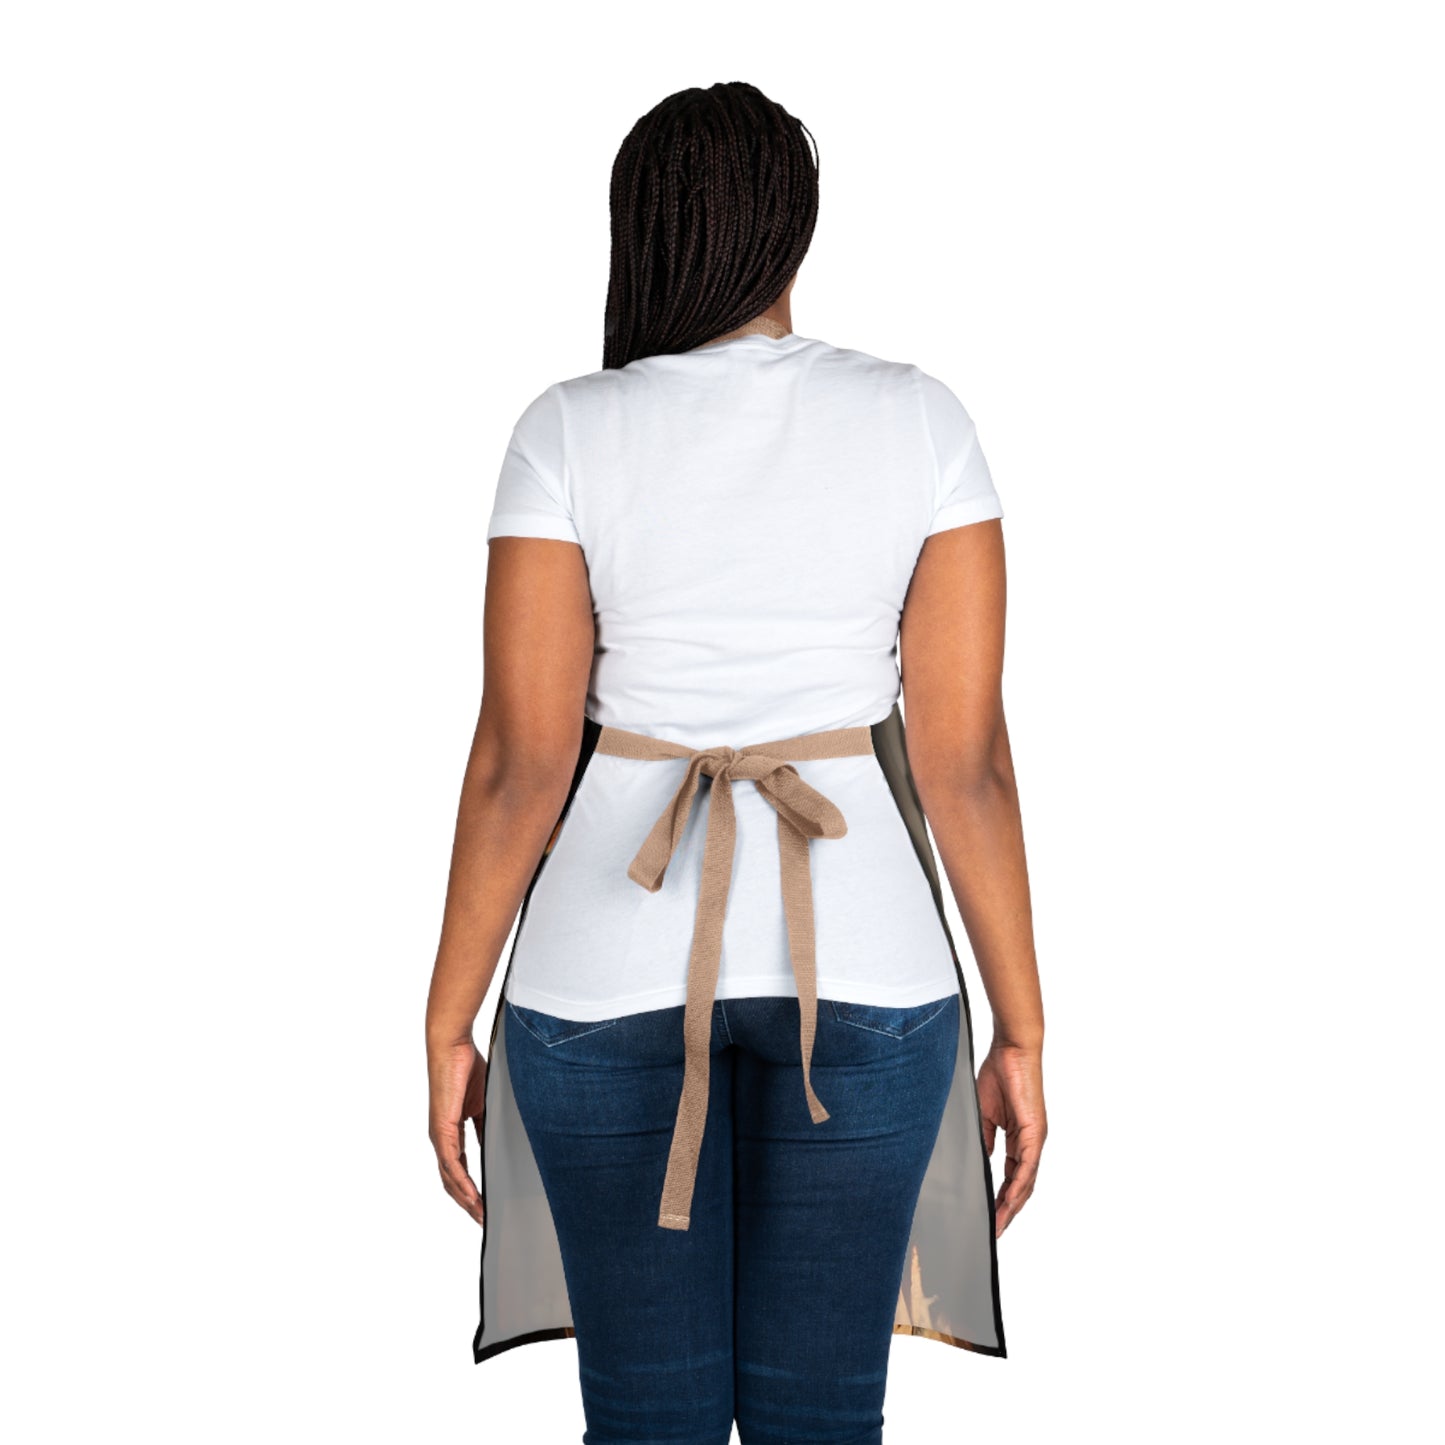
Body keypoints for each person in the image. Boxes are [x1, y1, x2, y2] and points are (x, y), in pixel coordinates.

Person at [425, 80, 1046, 1445]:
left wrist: (447, 1016)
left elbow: (522, 761)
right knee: (824, 1425)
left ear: (636, 227)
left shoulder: (568, 429)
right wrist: (1021, 1027)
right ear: (794, 229)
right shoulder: (919, 420)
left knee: (644, 1425)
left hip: (600, 979)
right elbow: (967, 766)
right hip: (871, 978)